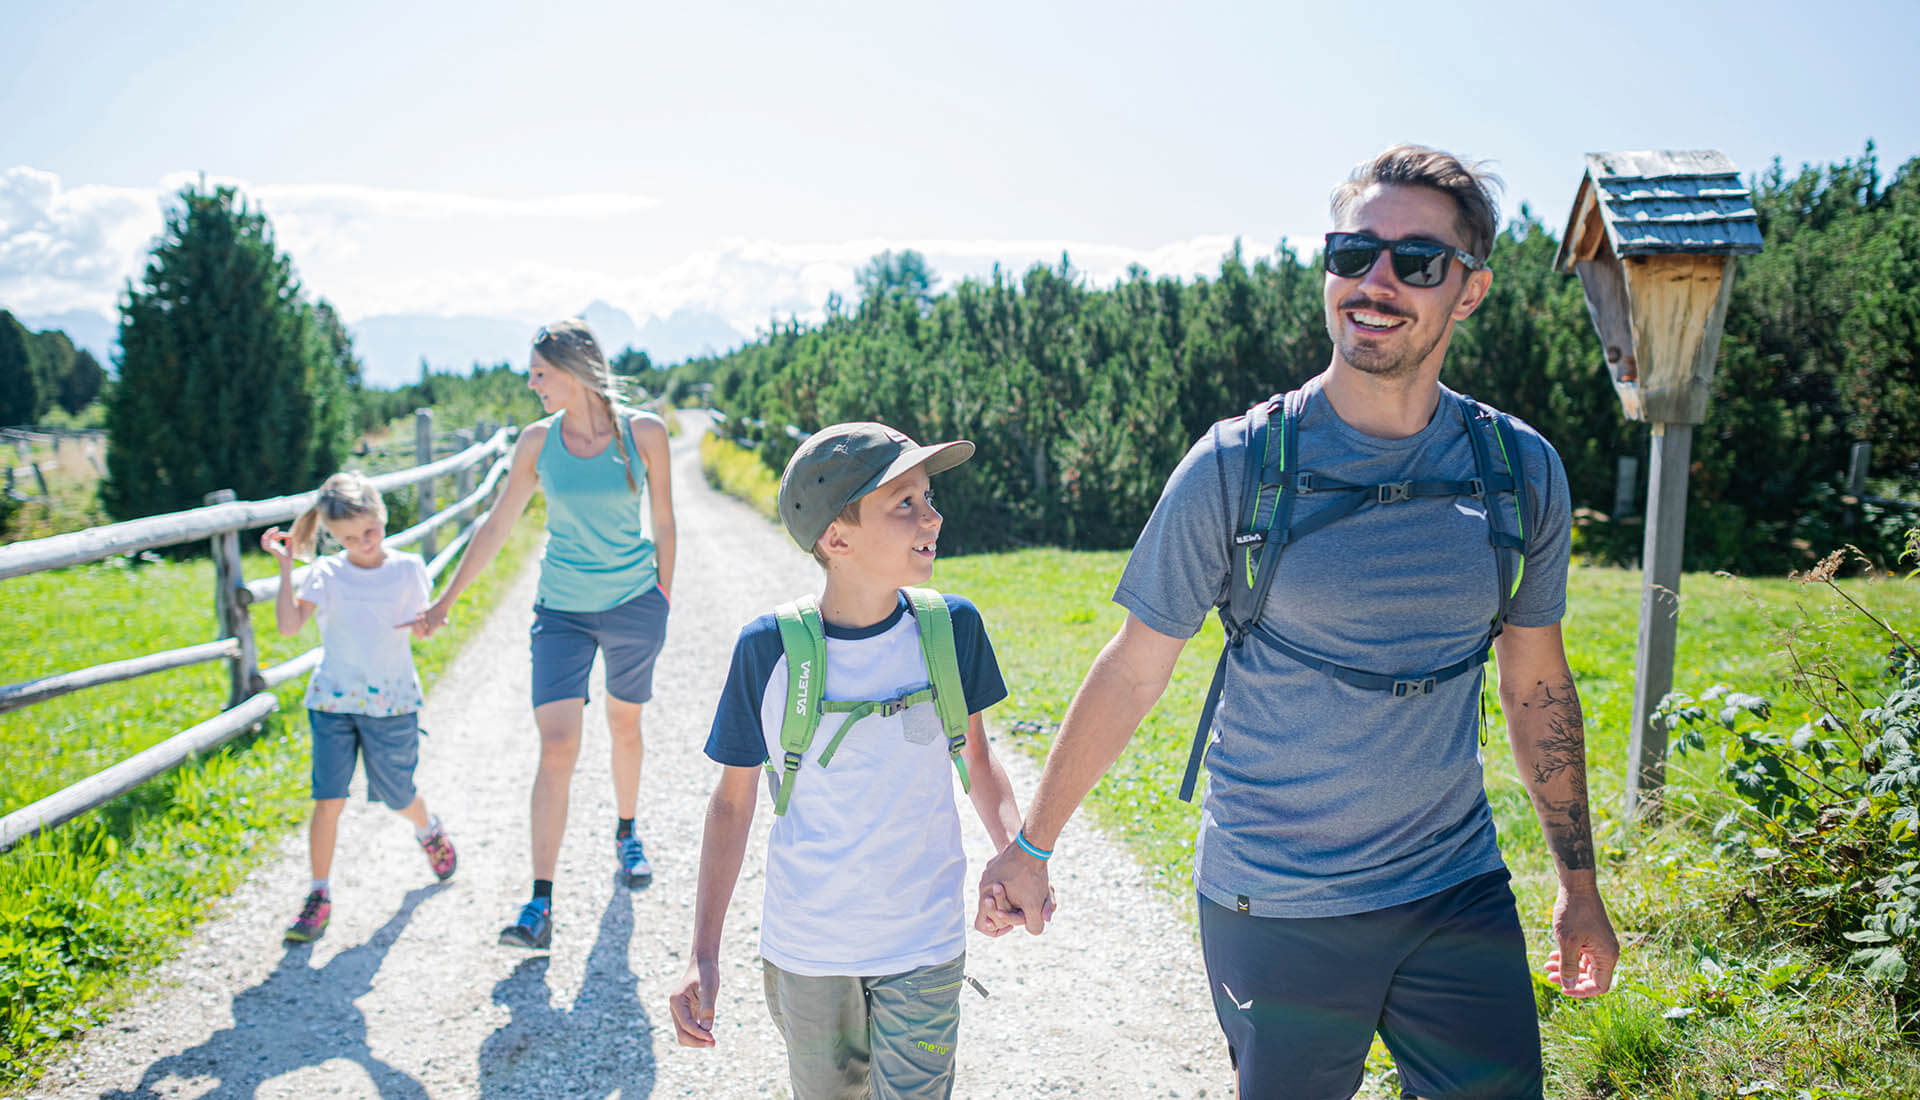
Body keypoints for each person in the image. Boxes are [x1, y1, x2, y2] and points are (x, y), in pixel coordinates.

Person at [977, 145, 1621, 1099]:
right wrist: (1032, 847)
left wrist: (1579, 886)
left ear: (1471, 290)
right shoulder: (1235, 465)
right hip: (1274, 900)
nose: (1376, 282)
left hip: (1455, 887)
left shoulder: (1520, 470)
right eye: (1353, 252)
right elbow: (1133, 668)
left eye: (1417, 261)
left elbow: (1536, 682)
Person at [668, 421, 1038, 1099]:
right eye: (904, 503)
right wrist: (703, 953)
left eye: (927, 496)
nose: (933, 515)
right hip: (808, 950)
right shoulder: (766, 650)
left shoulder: (952, 628)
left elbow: (977, 762)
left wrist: (1017, 854)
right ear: (836, 540)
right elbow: (732, 802)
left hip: (924, 942)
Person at [415, 318, 676, 950]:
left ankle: (627, 829)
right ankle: (540, 903)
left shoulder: (643, 434)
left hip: (633, 605)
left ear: (575, 370)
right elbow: (497, 525)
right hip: (560, 611)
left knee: (624, 724)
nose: (531, 385)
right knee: (557, 744)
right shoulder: (537, 442)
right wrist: (447, 600)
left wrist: (662, 600)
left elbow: (665, 522)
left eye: (540, 373)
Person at [261, 471, 456, 945]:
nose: (363, 543)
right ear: (331, 536)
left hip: (391, 704)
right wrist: (288, 567)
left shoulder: (408, 568)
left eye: (370, 532)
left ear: (383, 517)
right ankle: (318, 893)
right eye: (349, 538)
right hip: (332, 702)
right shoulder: (326, 572)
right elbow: (288, 628)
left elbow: (423, 626)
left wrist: (431, 624)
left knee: (395, 794)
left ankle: (427, 829)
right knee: (328, 798)